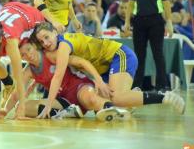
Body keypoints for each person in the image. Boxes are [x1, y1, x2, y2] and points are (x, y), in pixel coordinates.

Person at [31, 22, 185, 118]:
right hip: (106, 67)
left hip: (119, 55)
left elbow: (58, 77)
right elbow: (82, 63)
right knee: (100, 101)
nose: (45, 42)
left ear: (55, 33)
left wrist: (49, 105)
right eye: (41, 41)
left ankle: (164, 96)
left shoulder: (64, 45)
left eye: (47, 37)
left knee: (116, 98)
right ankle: (132, 97)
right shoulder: (58, 47)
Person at [0, 39, 131, 121]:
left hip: (80, 87)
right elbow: (16, 94)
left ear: (35, 46)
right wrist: (5, 110)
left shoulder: (51, 55)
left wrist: (99, 80)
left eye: (29, 50)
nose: (28, 55)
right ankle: (67, 112)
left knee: (92, 101)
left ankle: (116, 108)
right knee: (23, 108)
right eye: (23, 55)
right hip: (64, 100)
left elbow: (82, 62)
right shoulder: (29, 70)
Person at [124, 0, 173, 92]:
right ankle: (137, 85)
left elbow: (166, 4)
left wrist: (169, 22)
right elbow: (131, 4)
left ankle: (162, 85)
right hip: (139, 22)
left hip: (156, 22)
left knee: (158, 53)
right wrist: (127, 22)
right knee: (139, 55)